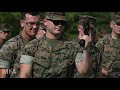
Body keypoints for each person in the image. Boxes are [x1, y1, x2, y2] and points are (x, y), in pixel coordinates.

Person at [19, 12, 92, 78]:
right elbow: (25, 74)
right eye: (56, 22)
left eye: (62, 22)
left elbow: (84, 71)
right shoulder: (31, 46)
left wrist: (86, 49)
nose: (59, 25)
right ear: (45, 22)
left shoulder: (73, 47)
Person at [0, 12, 41, 78]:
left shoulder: (42, 45)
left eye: (37, 24)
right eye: (31, 23)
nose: (35, 27)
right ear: (22, 23)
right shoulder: (10, 46)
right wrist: (16, 71)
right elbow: (3, 72)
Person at [96, 12, 120, 78]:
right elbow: (95, 64)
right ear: (111, 25)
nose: (119, 27)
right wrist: (108, 74)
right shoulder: (102, 43)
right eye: (118, 24)